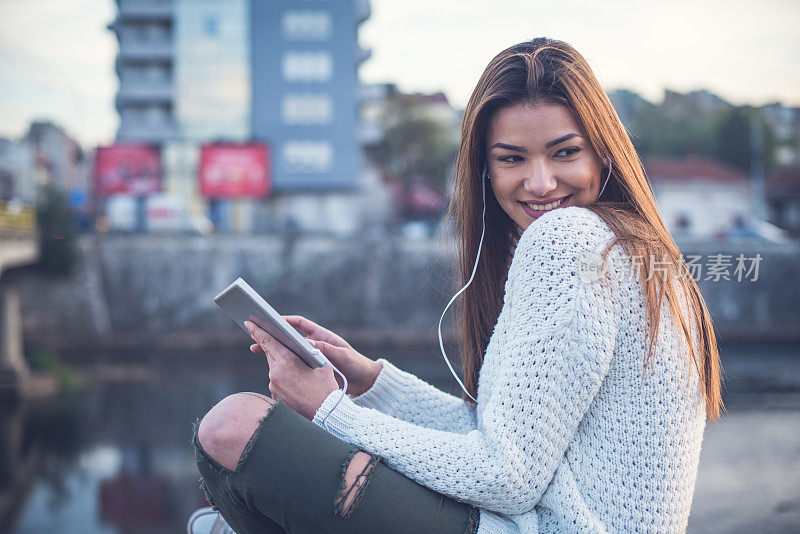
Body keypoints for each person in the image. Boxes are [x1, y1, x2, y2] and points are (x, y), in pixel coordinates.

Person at [191, 37, 723, 534]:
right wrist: (372, 384)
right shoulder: (629, 247)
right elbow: (505, 443)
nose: (539, 182)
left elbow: (507, 477)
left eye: (565, 153)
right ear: (485, 170)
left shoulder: (571, 240)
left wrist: (331, 412)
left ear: (603, 153)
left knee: (234, 427)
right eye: (512, 158)